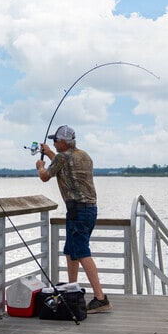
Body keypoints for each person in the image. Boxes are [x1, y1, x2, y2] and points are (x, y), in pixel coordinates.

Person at [36, 125, 112, 313]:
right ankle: (72, 289)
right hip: (88, 210)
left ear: (63, 142)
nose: (53, 142)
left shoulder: (62, 157)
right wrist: (51, 153)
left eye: (55, 140)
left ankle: (100, 298)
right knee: (71, 251)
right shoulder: (83, 155)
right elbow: (65, 167)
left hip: (78, 210)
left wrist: (41, 166)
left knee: (82, 252)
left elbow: (46, 176)